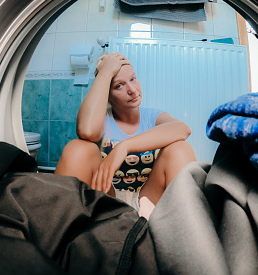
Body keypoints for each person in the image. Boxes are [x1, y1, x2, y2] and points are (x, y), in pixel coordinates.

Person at [54, 52, 197, 211]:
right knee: (78, 148)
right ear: (107, 96)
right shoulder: (101, 121)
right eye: (119, 86)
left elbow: (183, 129)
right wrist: (105, 73)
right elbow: (86, 131)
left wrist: (124, 146)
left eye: (133, 79)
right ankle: (61, 229)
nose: (132, 89)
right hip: (109, 198)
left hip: (148, 199)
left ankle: (185, 229)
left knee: (180, 149)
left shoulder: (152, 117)